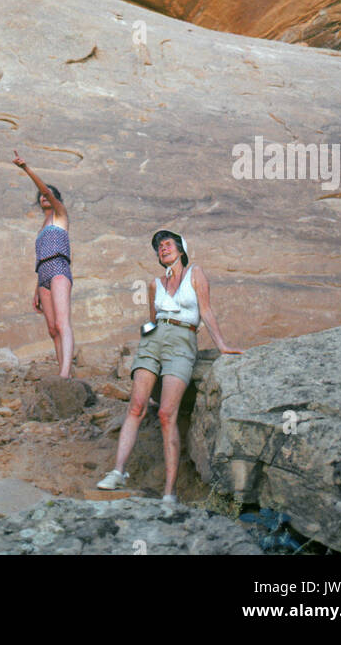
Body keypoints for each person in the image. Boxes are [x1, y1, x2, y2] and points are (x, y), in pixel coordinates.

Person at [96, 228, 242, 505]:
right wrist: (145, 343)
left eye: (167, 244)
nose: (162, 249)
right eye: (159, 247)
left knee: (166, 414)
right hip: (154, 340)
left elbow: (206, 311)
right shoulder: (155, 285)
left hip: (183, 339)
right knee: (136, 406)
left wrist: (222, 345)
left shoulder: (195, 274)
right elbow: (152, 319)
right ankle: (117, 472)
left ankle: (169, 491)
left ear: (181, 249)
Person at [13, 152, 73, 378]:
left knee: (62, 322)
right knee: (51, 328)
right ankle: (62, 369)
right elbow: (40, 257)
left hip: (58, 267)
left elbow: (46, 190)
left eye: (47, 195)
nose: (44, 197)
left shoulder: (61, 216)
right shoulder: (42, 226)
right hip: (43, 273)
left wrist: (26, 169)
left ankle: (65, 374)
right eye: (40, 196)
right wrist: (36, 288)